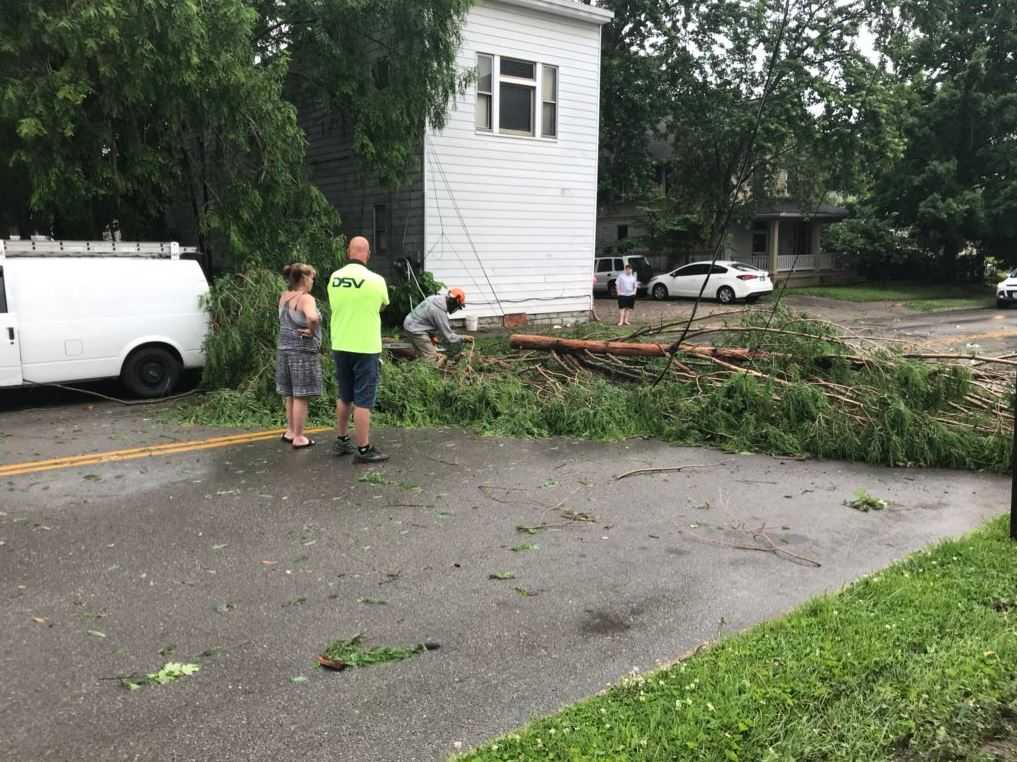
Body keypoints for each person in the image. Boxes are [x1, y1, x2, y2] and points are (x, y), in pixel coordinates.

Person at [327, 236, 390, 463]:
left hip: (340, 343)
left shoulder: (334, 278)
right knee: (363, 399)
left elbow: (337, 305)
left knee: (344, 395)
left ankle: (342, 440)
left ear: (348, 252)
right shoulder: (376, 280)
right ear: (368, 253)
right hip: (365, 345)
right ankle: (363, 449)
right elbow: (382, 305)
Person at [276, 263, 322, 449]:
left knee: (290, 394)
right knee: (301, 395)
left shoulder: (284, 296)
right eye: (311, 278)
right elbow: (312, 317)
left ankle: (290, 431)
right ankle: (299, 437)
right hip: (302, 352)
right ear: (304, 279)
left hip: (284, 350)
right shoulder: (306, 299)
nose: (312, 281)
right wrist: (312, 330)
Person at [401, 288, 474, 364]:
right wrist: (464, 338)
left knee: (423, 351)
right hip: (415, 330)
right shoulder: (439, 312)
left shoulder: (434, 298)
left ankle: (420, 358)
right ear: (454, 302)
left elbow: (426, 318)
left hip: (410, 322)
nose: (456, 309)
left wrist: (431, 335)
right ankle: (428, 372)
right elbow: (449, 337)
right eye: (458, 306)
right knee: (431, 358)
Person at [616, 262, 638, 326]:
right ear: (625, 269)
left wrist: (634, 293)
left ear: (631, 270)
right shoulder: (621, 276)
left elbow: (635, 286)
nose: (629, 270)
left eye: (630, 269)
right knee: (622, 308)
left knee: (628, 308)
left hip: (631, 295)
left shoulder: (633, 277)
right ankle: (621, 321)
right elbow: (617, 284)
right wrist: (618, 292)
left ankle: (626, 320)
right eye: (627, 269)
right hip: (622, 294)